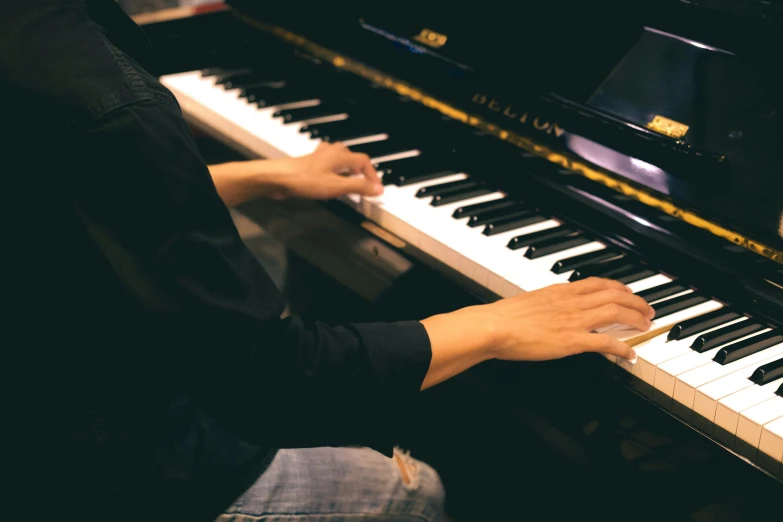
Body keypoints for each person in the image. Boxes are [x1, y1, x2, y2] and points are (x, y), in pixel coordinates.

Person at [2, 1, 653, 521]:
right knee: (410, 491)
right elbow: (271, 387)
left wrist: (262, 176)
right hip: (100, 468)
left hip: (46, 385)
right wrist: (493, 326)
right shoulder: (102, 100)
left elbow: (85, 193)